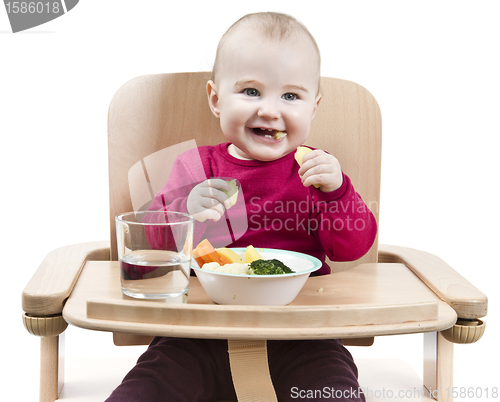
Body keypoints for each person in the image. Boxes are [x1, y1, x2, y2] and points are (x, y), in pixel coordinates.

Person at [106, 12, 376, 402]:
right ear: (216, 99)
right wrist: (184, 208)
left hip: (301, 332)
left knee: (331, 389)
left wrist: (337, 193)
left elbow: (354, 247)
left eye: (290, 96)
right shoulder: (197, 168)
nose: (269, 110)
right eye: (251, 91)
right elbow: (152, 244)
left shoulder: (315, 171)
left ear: (313, 108)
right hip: (196, 330)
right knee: (149, 387)